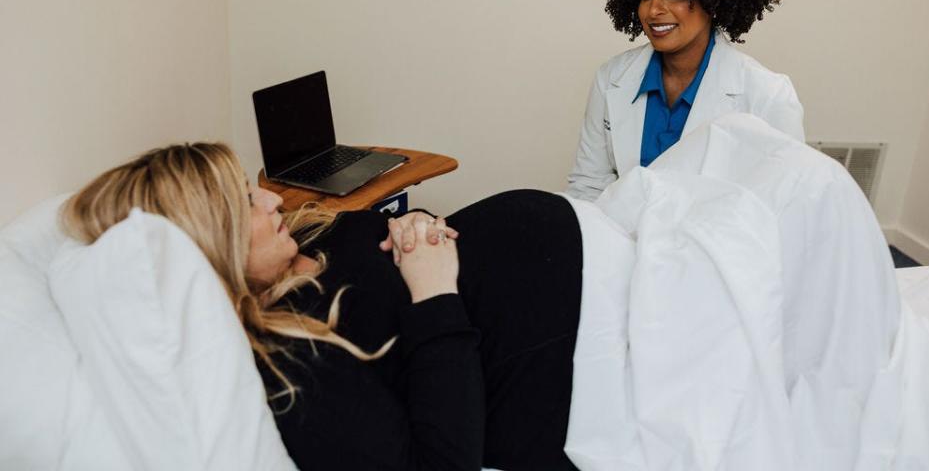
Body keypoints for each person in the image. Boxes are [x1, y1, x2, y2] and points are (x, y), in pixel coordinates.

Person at [60, 142, 584, 470]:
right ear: (211, 241)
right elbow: (441, 461)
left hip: (578, 257)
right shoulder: (290, 365)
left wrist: (417, 222)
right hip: (579, 343)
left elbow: (397, 234)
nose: (272, 200)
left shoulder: (304, 237)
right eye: (247, 201)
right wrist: (435, 293)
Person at [567, 0, 805, 201]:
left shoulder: (768, 95)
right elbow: (588, 188)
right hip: (621, 241)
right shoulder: (611, 79)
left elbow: (782, 205)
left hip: (718, 245)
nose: (654, 10)